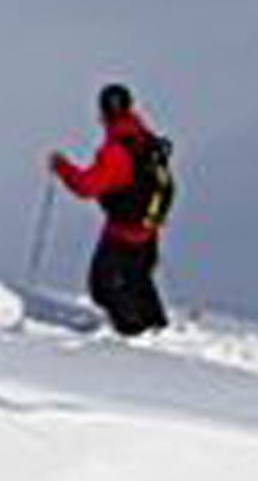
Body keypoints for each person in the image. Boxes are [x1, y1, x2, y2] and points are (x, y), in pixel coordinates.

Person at [48, 82, 170, 336]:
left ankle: (134, 335)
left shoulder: (115, 152)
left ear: (103, 112)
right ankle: (158, 328)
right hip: (148, 228)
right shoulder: (144, 137)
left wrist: (61, 167)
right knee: (138, 280)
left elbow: (86, 186)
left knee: (103, 287)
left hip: (122, 233)